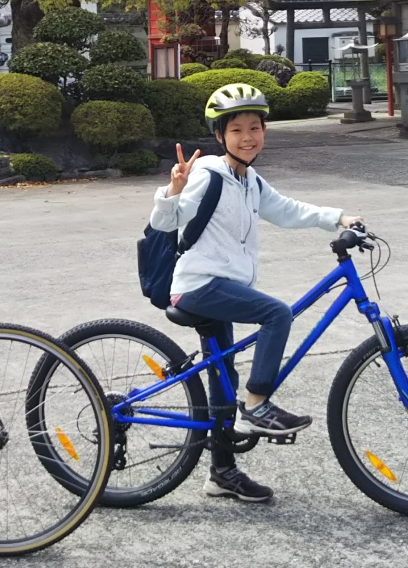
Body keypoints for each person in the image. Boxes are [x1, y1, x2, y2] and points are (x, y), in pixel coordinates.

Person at [149, 82, 362, 503]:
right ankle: (258, 405)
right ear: (219, 136)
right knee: (277, 314)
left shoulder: (249, 179)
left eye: (255, 128)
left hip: (222, 288)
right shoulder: (209, 172)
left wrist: (338, 217)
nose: (247, 137)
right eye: (236, 130)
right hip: (197, 286)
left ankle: (222, 473)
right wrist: (173, 189)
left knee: (222, 381)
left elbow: (286, 210)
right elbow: (163, 224)